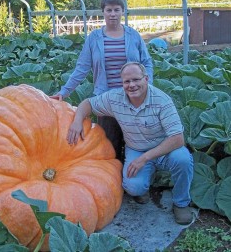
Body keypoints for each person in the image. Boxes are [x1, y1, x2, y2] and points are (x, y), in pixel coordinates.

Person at [66, 62, 194, 225]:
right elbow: (88, 104)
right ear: (122, 83)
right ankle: (145, 182)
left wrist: (145, 158)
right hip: (137, 149)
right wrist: (77, 120)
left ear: (146, 79)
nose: (131, 85)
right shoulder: (115, 99)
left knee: (183, 160)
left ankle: (181, 203)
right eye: (127, 81)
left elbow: (177, 139)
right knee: (133, 187)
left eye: (136, 79)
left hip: (164, 149)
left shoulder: (162, 101)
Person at [51, 0, 153, 162]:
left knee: (134, 142)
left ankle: (130, 178)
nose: (113, 14)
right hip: (106, 100)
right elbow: (82, 68)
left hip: (133, 97)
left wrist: (147, 85)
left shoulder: (133, 35)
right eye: (109, 10)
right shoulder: (94, 38)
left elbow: (146, 62)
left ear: (123, 12)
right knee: (110, 144)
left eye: (116, 10)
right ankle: (113, 182)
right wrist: (64, 91)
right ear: (103, 13)